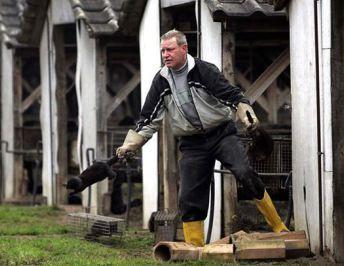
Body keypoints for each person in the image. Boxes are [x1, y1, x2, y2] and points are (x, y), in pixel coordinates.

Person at [116, 30, 288, 247]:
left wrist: (247, 114)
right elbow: (148, 119)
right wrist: (129, 146)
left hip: (221, 134)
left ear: (184, 48)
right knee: (188, 195)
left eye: (169, 49)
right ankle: (194, 248)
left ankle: (279, 226)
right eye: (162, 51)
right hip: (192, 144)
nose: (165, 55)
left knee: (244, 173)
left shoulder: (204, 71)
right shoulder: (161, 80)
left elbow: (232, 95)